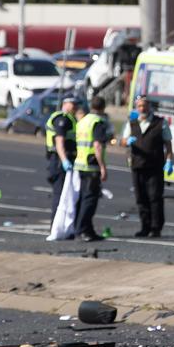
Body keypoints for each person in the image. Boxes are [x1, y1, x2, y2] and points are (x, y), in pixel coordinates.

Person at [123, 95, 173, 238]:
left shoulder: (160, 123)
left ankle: (155, 228)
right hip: (137, 165)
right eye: (139, 106)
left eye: (144, 106)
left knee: (155, 197)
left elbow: (168, 144)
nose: (142, 109)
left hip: (155, 166)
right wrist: (127, 141)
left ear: (149, 106)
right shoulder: (132, 123)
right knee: (141, 198)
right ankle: (145, 226)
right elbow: (123, 140)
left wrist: (169, 160)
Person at [73, 95, 112, 242]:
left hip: (81, 163)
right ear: (103, 108)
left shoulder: (83, 121)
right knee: (90, 200)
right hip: (91, 165)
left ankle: (88, 230)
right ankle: (82, 229)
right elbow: (97, 145)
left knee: (83, 198)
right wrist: (103, 167)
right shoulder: (97, 122)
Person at [45, 95, 79, 218]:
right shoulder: (62, 119)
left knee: (66, 195)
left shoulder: (70, 119)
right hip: (59, 161)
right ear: (65, 103)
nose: (75, 107)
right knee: (59, 195)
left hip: (62, 159)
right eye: (72, 104)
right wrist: (64, 160)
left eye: (76, 104)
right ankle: (56, 225)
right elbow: (59, 142)